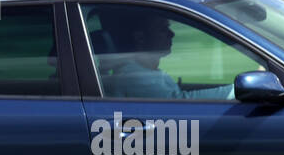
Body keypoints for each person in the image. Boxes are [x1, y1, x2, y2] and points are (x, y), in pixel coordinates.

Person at [100, 9, 234, 100]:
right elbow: (180, 103)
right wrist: (236, 90)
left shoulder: (145, 71)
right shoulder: (133, 77)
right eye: (162, 29)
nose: (172, 34)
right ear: (140, 38)